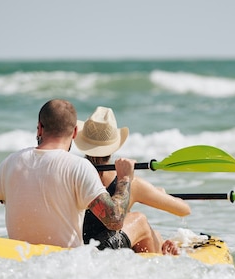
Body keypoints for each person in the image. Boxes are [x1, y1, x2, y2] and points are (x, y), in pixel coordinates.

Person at [0, 99, 136, 249]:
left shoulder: (11, 162)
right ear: (75, 132)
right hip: (64, 266)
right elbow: (115, 220)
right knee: (138, 220)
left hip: (21, 263)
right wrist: (124, 178)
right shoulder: (80, 167)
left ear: (40, 128)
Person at [75, 106, 191, 255]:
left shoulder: (73, 173)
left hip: (78, 248)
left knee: (154, 233)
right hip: (104, 251)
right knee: (139, 220)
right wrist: (161, 193)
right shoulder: (131, 183)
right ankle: (161, 258)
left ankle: (160, 243)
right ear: (113, 147)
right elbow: (184, 210)